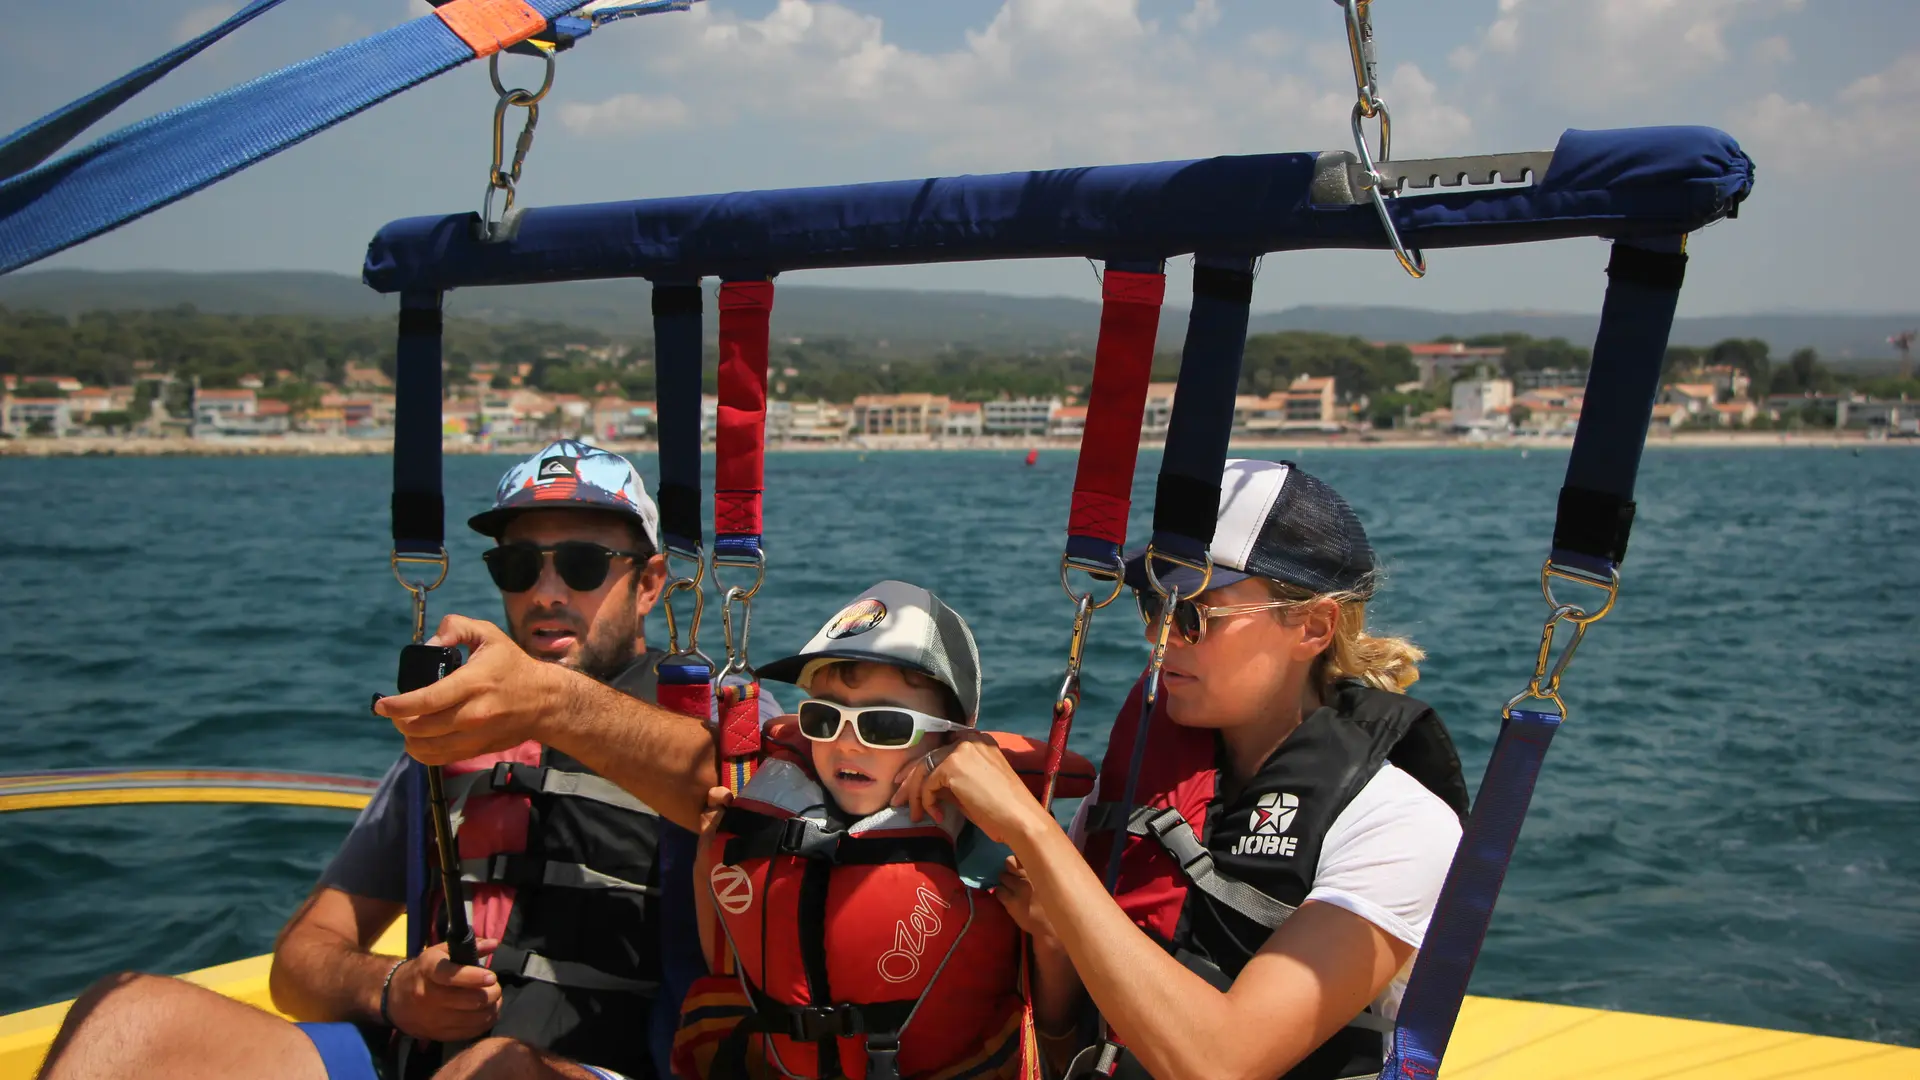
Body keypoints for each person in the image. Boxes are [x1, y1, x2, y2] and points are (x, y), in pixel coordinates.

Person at [39, 440, 779, 1080]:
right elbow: (300, 960)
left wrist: (549, 701)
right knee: (125, 1017)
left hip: (601, 1064)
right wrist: (392, 989)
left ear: (649, 583)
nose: (546, 593)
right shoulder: (456, 735)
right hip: (414, 1057)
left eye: (582, 566)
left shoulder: (718, 718)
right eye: (518, 566)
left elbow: (740, 801)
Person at [891, 459, 1471, 1080]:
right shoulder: (1142, 788)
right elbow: (1071, 1050)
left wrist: (1031, 830)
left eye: (1195, 614)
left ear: (1312, 626)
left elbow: (1222, 1063)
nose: (1160, 639)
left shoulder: (1399, 825)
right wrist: (1056, 943)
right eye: (1154, 605)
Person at [674, 581, 1091, 1080]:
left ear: (953, 737)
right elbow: (731, 966)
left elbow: (1055, 1034)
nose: (847, 743)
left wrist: (1050, 933)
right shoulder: (762, 827)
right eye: (824, 718)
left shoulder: (994, 852)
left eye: (884, 726)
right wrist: (713, 855)